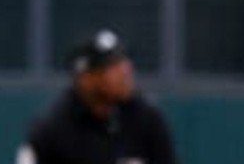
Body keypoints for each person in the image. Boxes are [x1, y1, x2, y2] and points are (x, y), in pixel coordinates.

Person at [23, 32, 180, 164]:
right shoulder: (52, 129)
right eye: (112, 66)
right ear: (87, 78)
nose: (125, 71)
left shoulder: (145, 119)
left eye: (124, 62)